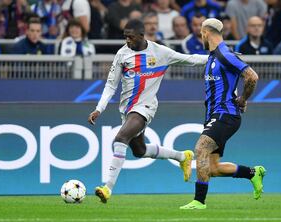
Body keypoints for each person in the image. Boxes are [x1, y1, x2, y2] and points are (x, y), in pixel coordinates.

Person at [87, 19, 209, 203]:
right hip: (127, 109)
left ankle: (107, 188)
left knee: (120, 139)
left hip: (146, 107)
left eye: (131, 37)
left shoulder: (160, 52)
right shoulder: (122, 54)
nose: (127, 40)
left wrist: (220, 57)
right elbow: (111, 85)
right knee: (139, 150)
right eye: (125, 37)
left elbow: (190, 59)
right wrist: (99, 109)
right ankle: (182, 157)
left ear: (142, 36)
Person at [180, 18, 266, 210]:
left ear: (205, 33)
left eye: (201, 33)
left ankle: (199, 202)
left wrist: (243, 99)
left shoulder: (224, 54)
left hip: (224, 115)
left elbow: (251, 76)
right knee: (212, 168)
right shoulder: (213, 56)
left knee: (201, 149)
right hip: (214, 115)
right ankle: (253, 172)